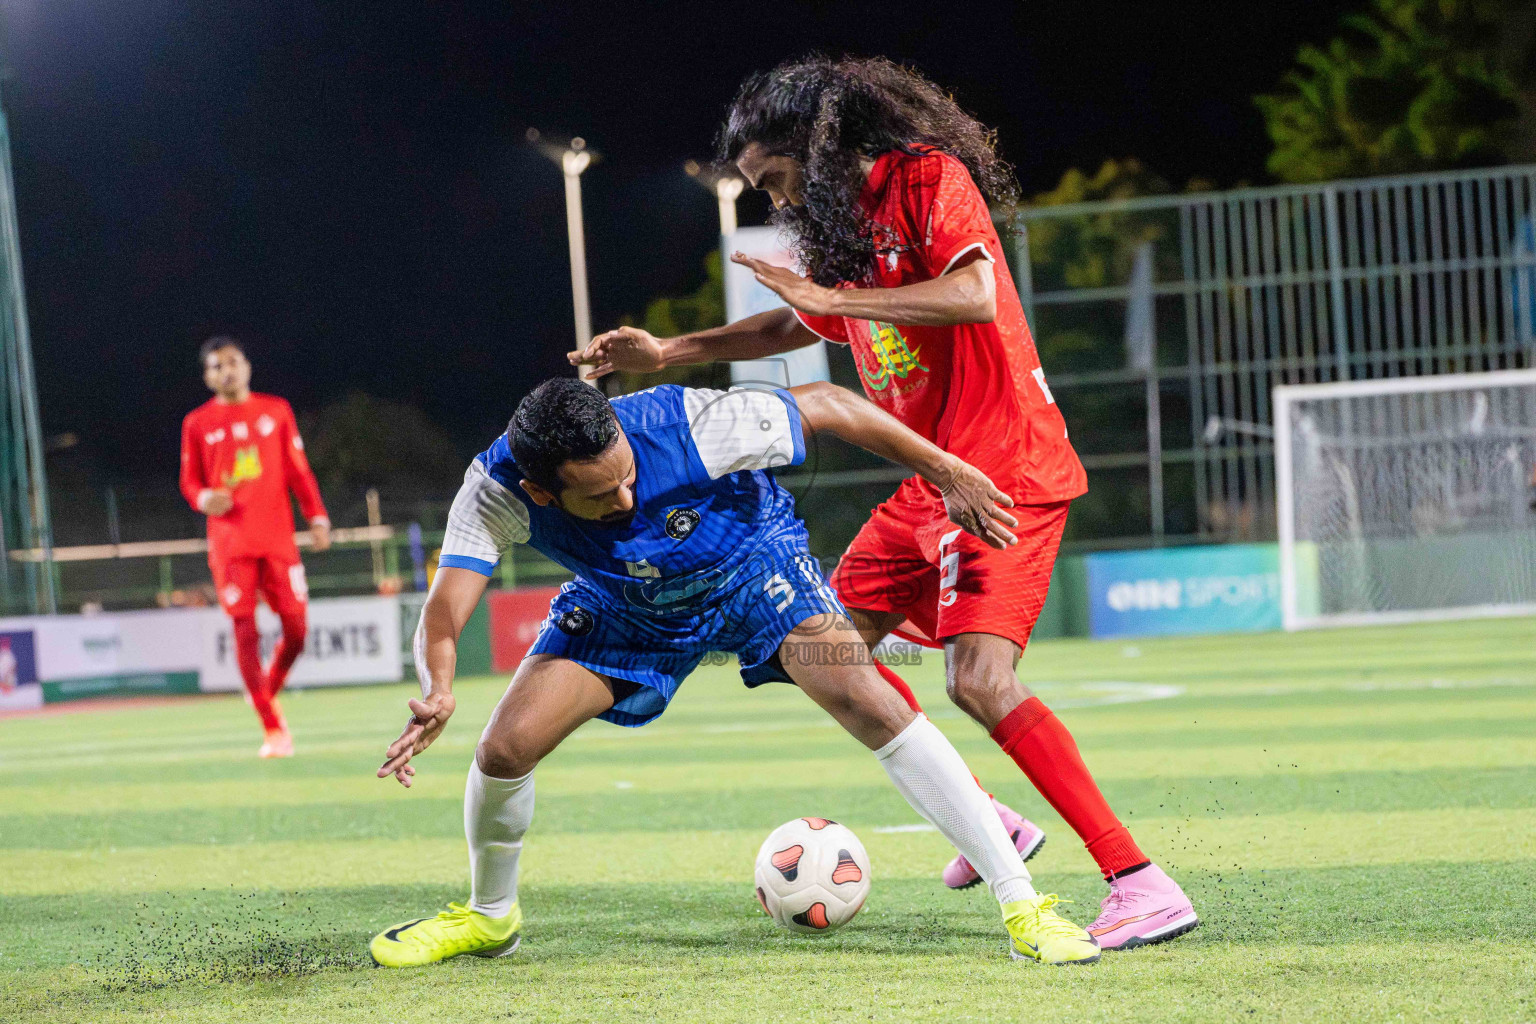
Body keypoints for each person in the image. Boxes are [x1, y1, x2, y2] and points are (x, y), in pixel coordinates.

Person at [571, 56, 1197, 951]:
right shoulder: (841, 234)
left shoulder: (926, 182)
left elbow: (975, 292)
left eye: (776, 181)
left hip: (1000, 464)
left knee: (979, 680)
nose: (776, 204)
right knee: (819, 649)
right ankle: (992, 825)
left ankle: (1139, 880)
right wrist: (672, 351)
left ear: (817, 154)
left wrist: (834, 295)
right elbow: (799, 323)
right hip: (929, 477)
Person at [369, 378, 1100, 967]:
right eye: (600, 496)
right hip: (628, 603)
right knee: (504, 748)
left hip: (754, 566)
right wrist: (438, 685)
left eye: (626, 476)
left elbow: (831, 403)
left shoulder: (687, 424)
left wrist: (947, 472)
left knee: (870, 701)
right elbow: (444, 609)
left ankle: (1023, 902)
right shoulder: (494, 490)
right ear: (540, 493)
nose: (626, 499)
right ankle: (491, 918)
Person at [179, 336, 330, 758]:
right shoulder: (197, 423)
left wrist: (316, 516)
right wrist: (204, 498)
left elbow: (299, 471)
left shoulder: (276, 410)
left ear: (246, 365)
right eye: (216, 366)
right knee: (245, 629)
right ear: (208, 377)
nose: (227, 370)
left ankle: (266, 690)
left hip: (278, 541)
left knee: (297, 631)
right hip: (230, 544)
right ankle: (273, 727)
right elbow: (189, 481)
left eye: (233, 362)